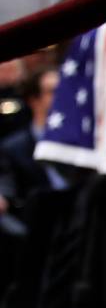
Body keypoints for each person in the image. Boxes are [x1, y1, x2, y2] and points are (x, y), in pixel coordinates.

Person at [0, 65, 64, 225]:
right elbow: (8, 189)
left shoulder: (81, 138)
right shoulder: (12, 148)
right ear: (33, 100)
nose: (63, 97)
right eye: (53, 92)